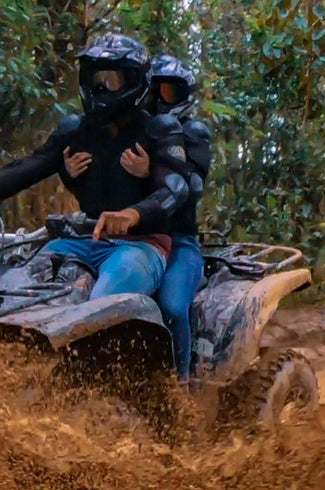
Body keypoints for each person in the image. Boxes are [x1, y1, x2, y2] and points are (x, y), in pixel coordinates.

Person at [0, 34, 190, 301]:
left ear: (135, 81)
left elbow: (175, 189)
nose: (100, 90)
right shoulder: (76, 131)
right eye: (95, 80)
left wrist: (132, 214)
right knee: (9, 291)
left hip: (140, 246)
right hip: (79, 242)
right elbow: (23, 170)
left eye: (111, 82)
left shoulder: (160, 129)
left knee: (104, 303)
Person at [66, 53, 211, 379]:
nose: (161, 100)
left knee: (173, 308)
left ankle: (180, 388)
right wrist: (70, 173)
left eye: (169, 93)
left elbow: (193, 186)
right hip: (124, 240)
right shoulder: (132, 130)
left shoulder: (192, 133)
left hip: (179, 243)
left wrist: (151, 173)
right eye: (155, 91)